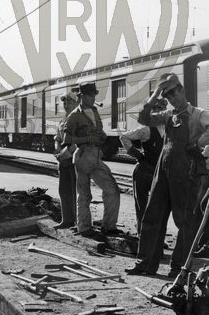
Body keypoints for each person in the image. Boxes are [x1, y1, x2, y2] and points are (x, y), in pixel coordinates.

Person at [127, 73, 209, 278]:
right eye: (167, 96)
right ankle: (144, 265)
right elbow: (143, 118)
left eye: (173, 94)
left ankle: (178, 269)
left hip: (185, 172)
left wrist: (197, 143)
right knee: (152, 216)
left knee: (184, 220)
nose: (171, 99)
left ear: (182, 90)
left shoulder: (198, 114)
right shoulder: (168, 115)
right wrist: (155, 95)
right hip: (163, 171)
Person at [63, 81, 121, 238]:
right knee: (84, 194)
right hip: (82, 155)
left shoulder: (95, 111)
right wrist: (85, 139)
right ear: (82, 96)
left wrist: (101, 136)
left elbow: (98, 130)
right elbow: (66, 138)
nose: (92, 98)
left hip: (96, 155)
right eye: (89, 95)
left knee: (112, 190)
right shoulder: (74, 115)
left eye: (94, 95)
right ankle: (84, 227)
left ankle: (109, 226)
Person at [119, 99, 165, 232]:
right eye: (157, 109)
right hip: (144, 171)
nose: (159, 112)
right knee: (142, 205)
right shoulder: (146, 129)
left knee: (158, 206)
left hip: (159, 172)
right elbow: (124, 137)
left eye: (161, 109)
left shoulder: (167, 128)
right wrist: (137, 155)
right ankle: (142, 234)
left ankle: (154, 235)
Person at [53, 90, 78, 229]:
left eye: (69, 101)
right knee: (64, 190)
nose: (66, 104)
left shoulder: (80, 119)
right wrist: (57, 151)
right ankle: (66, 220)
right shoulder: (62, 120)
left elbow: (79, 141)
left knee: (76, 192)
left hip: (74, 158)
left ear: (76, 103)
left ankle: (78, 222)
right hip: (63, 160)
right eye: (64, 102)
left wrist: (66, 153)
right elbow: (57, 137)